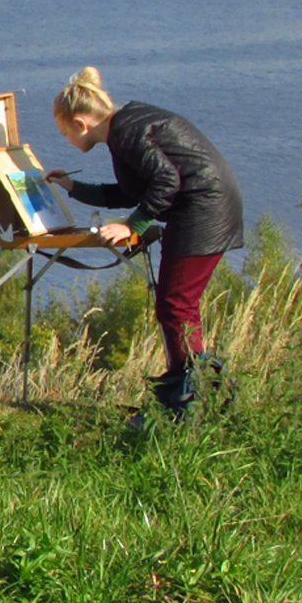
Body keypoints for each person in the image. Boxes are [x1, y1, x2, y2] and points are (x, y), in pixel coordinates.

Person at [43, 66, 243, 416]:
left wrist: (132, 225)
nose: (68, 142)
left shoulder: (126, 133)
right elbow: (131, 190)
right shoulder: (125, 126)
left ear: (80, 123)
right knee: (177, 306)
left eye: (65, 134)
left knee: (175, 305)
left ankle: (188, 400)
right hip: (206, 206)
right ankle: (193, 392)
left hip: (203, 209)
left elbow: (167, 180)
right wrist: (74, 189)